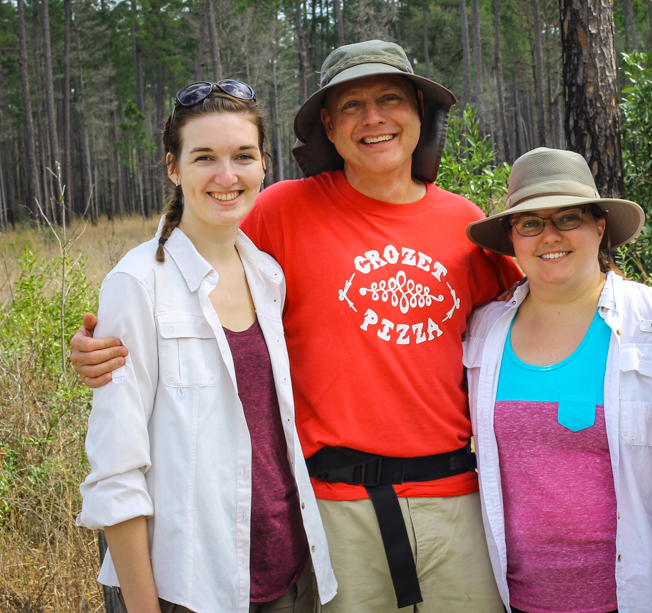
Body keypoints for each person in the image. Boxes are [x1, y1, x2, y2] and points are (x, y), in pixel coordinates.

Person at [71, 41, 521, 613]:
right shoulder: (280, 211)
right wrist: (100, 345)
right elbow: (188, 247)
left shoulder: (465, 224)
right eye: (352, 106)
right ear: (327, 129)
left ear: (419, 112)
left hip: (454, 500)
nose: (374, 118)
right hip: (332, 511)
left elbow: (535, 312)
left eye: (389, 99)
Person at [75, 80, 336, 613]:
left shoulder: (268, 276)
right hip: (185, 586)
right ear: (173, 167)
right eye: (204, 157)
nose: (226, 176)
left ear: (264, 164)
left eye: (242, 156)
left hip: (281, 575)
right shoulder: (137, 284)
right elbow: (116, 471)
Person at [463, 147, 652, 613]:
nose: (549, 236)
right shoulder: (483, 332)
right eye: (530, 222)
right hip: (520, 599)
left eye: (567, 218)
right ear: (513, 236)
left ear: (599, 225)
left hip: (637, 597)